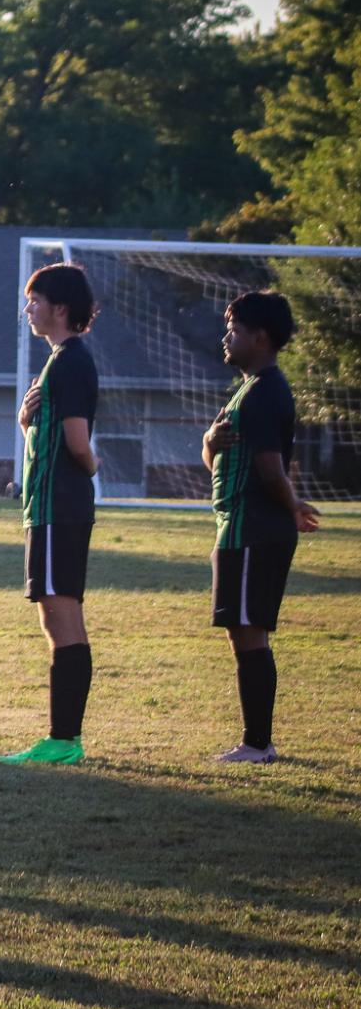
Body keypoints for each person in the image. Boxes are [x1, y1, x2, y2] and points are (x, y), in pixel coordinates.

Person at [203, 291, 320, 764]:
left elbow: (271, 468)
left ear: (260, 336)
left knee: (250, 630)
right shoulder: (244, 390)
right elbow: (215, 459)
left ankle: (258, 744)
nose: (225, 338)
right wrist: (210, 439)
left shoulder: (267, 392)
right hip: (236, 527)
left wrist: (292, 505)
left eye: (233, 330)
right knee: (240, 629)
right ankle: (256, 741)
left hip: (256, 527)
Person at [0, 262, 100, 766]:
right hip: (48, 508)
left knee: (63, 618)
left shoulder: (69, 362)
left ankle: (64, 739)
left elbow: (78, 443)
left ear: (60, 308)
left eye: (33, 300)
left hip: (61, 508)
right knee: (54, 616)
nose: (27, 309)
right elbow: (51, 436)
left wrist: (92, 463)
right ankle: (62, 737)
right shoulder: (57, 361)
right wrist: (23, 422)